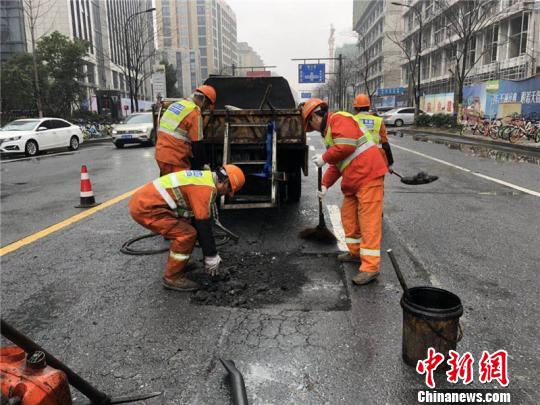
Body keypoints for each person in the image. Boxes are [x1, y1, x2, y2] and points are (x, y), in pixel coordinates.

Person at [302, 98, 388, 285]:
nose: (312, 128)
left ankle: (370, 268)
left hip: (368, 175)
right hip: (354, 180)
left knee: (369, 223)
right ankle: (355, 253)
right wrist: (325, 185)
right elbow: (338, 163)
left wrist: (325, 157)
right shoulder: (330, 132)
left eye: (310, 123)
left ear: (316, 115)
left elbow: (346, 146)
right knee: (348, 217)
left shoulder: (338, 119)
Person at [129, 165, 245, 292]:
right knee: (186, 234)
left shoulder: (205, 178)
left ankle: (178, 265)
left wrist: (210, 254)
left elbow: (197, 221)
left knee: (187, 227)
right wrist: (211, 257)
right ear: (226, 183)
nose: (225, 194)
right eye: (228, 191)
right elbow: (203, 225)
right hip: (146, 209)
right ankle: (172, 277)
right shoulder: (205, 189)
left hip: (146, 202)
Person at [154, 85, 217, 176]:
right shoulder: (194, 112)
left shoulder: (177, 105)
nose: (205, 109)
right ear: (204, 101)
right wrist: (202, 165)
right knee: (181, 187)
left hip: (161, 154)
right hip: (174, 159)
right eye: (207, 106)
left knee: (167, 185)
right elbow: (197, 145)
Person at [352, 94, 394, 169]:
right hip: (376, 159)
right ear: (369, 107)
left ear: (357, 108)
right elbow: (385, 143)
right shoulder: (378, 120)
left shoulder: (351, 120)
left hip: (357, 158)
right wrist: (390, 163)